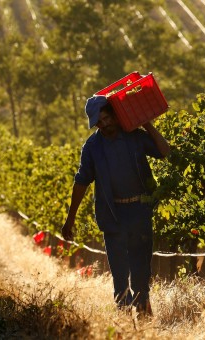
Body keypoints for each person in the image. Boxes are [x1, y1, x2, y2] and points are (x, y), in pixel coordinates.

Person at [61, 95, 170, 317]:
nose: (105, 125)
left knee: (141, 269)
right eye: (99, 122)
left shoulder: (135, 136)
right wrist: (69, 219)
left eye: (107, 118)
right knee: (120, 274)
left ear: (115, 114)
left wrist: (146, 123)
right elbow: (81, 181)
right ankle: (123, 320)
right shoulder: (92, 147)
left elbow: (165, 152)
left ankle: (143, 312)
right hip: (112, 215)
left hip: (139, 211)